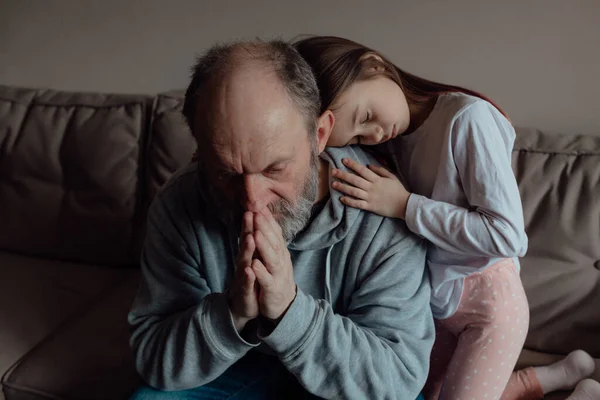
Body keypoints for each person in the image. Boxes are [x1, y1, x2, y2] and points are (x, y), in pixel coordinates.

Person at [293, 35, 600, 400]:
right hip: (436, 307)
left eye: (366, 116)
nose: (374, 134)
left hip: (491, 309)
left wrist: (405, 206)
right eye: (358, 136)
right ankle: (553, 376)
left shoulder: (467, 119)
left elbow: (508, 236)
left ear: (374, 65)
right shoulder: (394, 140)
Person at [127, 39, 435, 400]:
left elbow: (398, 379)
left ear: (319, 136)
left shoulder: (384, 214)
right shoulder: (179, 204)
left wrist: (290, 311)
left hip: (345, 365)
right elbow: (152, 356)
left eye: (275, 168)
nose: (252, 201)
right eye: (227, 174)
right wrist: (232, 313)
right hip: (234, 366)